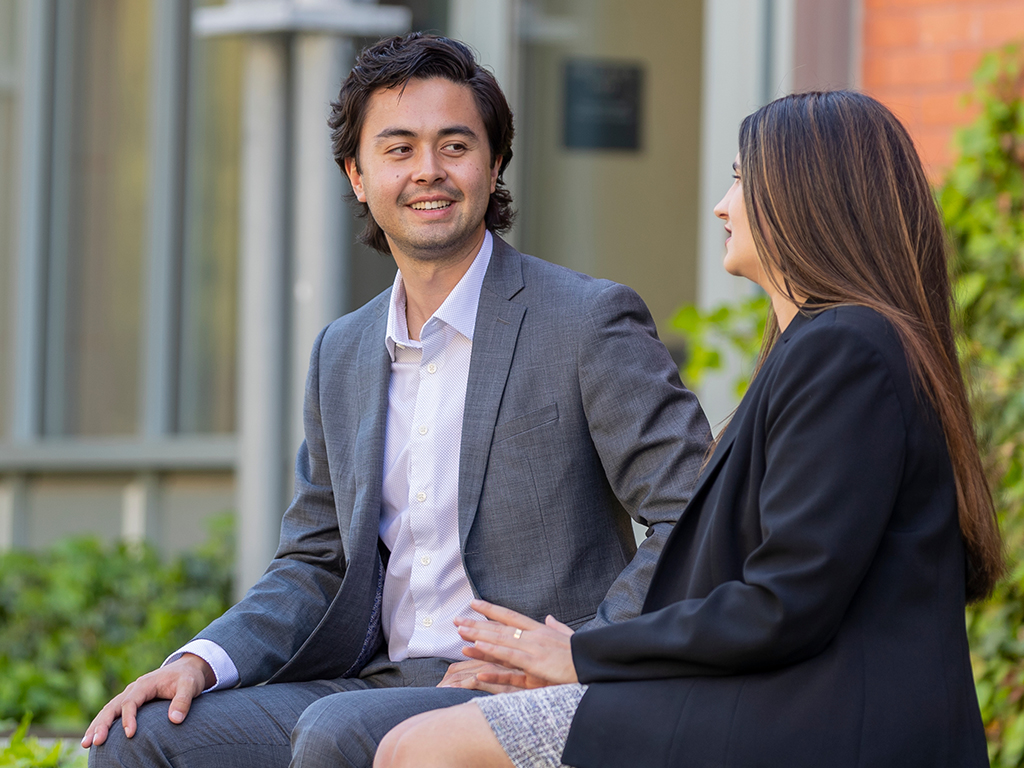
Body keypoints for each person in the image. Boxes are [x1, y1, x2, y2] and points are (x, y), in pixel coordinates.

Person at [81, 32, 711, 768]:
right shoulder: (341, 351)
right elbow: (314, 561)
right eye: (399, 148)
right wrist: (199, 660)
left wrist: (581, 651)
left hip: (521, 689)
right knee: (140, 737)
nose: (429, 173)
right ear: (357, 174)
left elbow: (694, 512)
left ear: (494, 162)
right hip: (376, 680)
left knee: (339, 733)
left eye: (455, 145)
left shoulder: (585, 321)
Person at [373, 90, 1004, 768]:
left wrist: (579, 655)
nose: (723, 206)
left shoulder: (847, 349)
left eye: (740, 179)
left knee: (430, 749)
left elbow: (784, 603)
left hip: (818, 720)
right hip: (781, 701)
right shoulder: (830, 347)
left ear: (805, 196)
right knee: (414, 742)